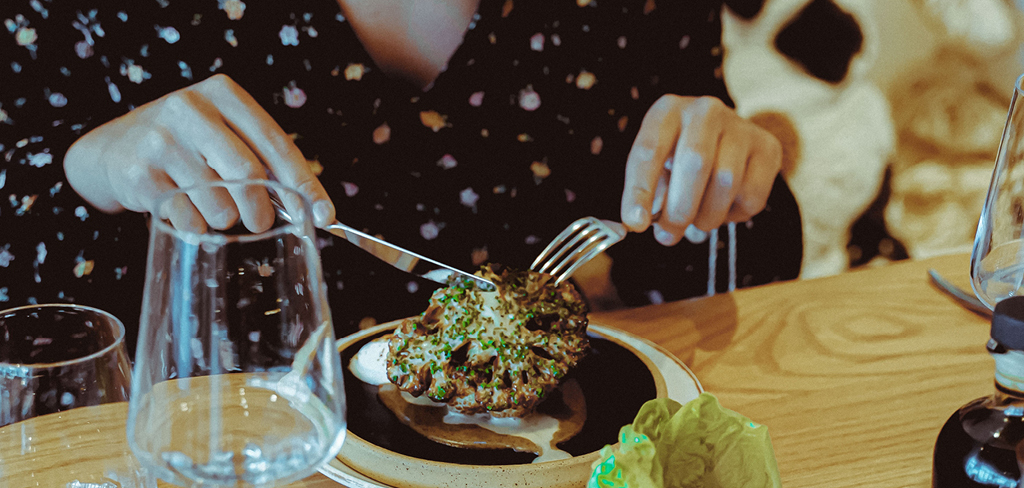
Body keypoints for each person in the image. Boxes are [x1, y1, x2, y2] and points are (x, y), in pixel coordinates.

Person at [1, 0, 803, 343]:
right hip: (229, 483)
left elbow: (700, 270)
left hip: (548, 479)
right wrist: (87, 168)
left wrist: (723, 185)